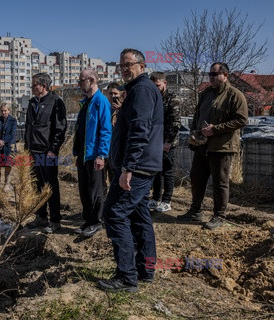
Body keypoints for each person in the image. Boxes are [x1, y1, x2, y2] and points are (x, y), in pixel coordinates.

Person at [99, 48, 163, 293]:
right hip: (141, 165)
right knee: (139, 216)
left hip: (137, 167)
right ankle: (145, 269)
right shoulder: (138, 89)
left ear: (142, 65)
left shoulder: (142, 90)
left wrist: (128, 168)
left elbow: (140, 131)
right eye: (121, 65)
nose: (125, 69)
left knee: (114, 213)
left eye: (129, 64)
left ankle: (126, 277)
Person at [177, 62, 248, 230]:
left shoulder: (234, 95)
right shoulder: (206, 93)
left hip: (222, 147)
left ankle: (219, 216)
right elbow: (198, 114)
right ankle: (195, 211)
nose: (211, 77)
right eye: (209, 74)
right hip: (202, 146)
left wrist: (215, 130)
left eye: (214, 74)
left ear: (225, 75)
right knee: (196, 177)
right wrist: (194, 132)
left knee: (220, 183)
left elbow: (241, 120)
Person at [25, 73, 67, 234]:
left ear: (43, 85)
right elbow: (29, 126)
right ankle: (41, 217)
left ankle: (55, 220)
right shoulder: (32, 103)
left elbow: (60, 129)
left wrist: (53, 150)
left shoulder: (56, 102)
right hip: (33, 152)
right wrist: (26, 148)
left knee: (50, 186)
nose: (32, 87)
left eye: (34, 84)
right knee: (37, 185)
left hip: (47, 152)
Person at [73, 69, 112, 237]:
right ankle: (88, 220)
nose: (80, 84)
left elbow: (105, 129)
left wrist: (101, 154)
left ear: (92, 80)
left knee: (95, 190)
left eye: (82, 81)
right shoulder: (86, 102)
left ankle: (96, 221)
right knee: (84, 189)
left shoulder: (100, 101)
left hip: (95, 154)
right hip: (83, 153)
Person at [148, 72, 181, 212]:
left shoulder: (173, 99)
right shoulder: (153, 98)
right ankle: (155, 198)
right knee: (155, 171)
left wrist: (168, 141)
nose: (155, 88)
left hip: (167, 142)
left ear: (164, 84)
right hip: (155, 141)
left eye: (158, 85)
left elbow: (175, 123)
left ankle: (166, 200)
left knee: (167, 171)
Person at [104, 82, 126, 192]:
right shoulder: (104, 108)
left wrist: (120, 111)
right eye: (110, 93)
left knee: (115, 179)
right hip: (104, 149)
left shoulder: (124, 109)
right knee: (101, 180)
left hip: (116, 150)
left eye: (115, 94)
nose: (113, 96)